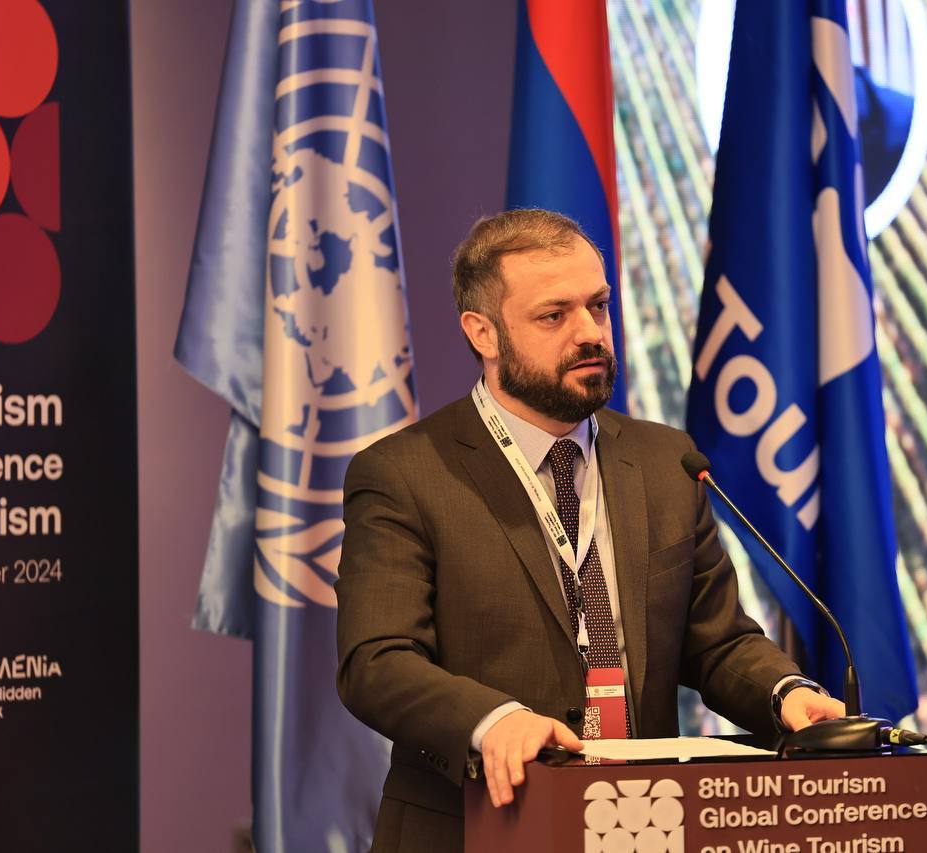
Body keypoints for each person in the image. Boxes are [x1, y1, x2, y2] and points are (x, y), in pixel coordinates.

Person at [336, 209, 844, 853]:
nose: (590, 333)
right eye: (554, 316)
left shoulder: (667, 462)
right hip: (475, 827)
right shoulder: (404, 473)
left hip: (641, 824)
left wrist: (784, 692)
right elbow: (377, 662)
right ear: (483, 333)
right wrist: (493, 721)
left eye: (598, 306)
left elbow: (715, 641)